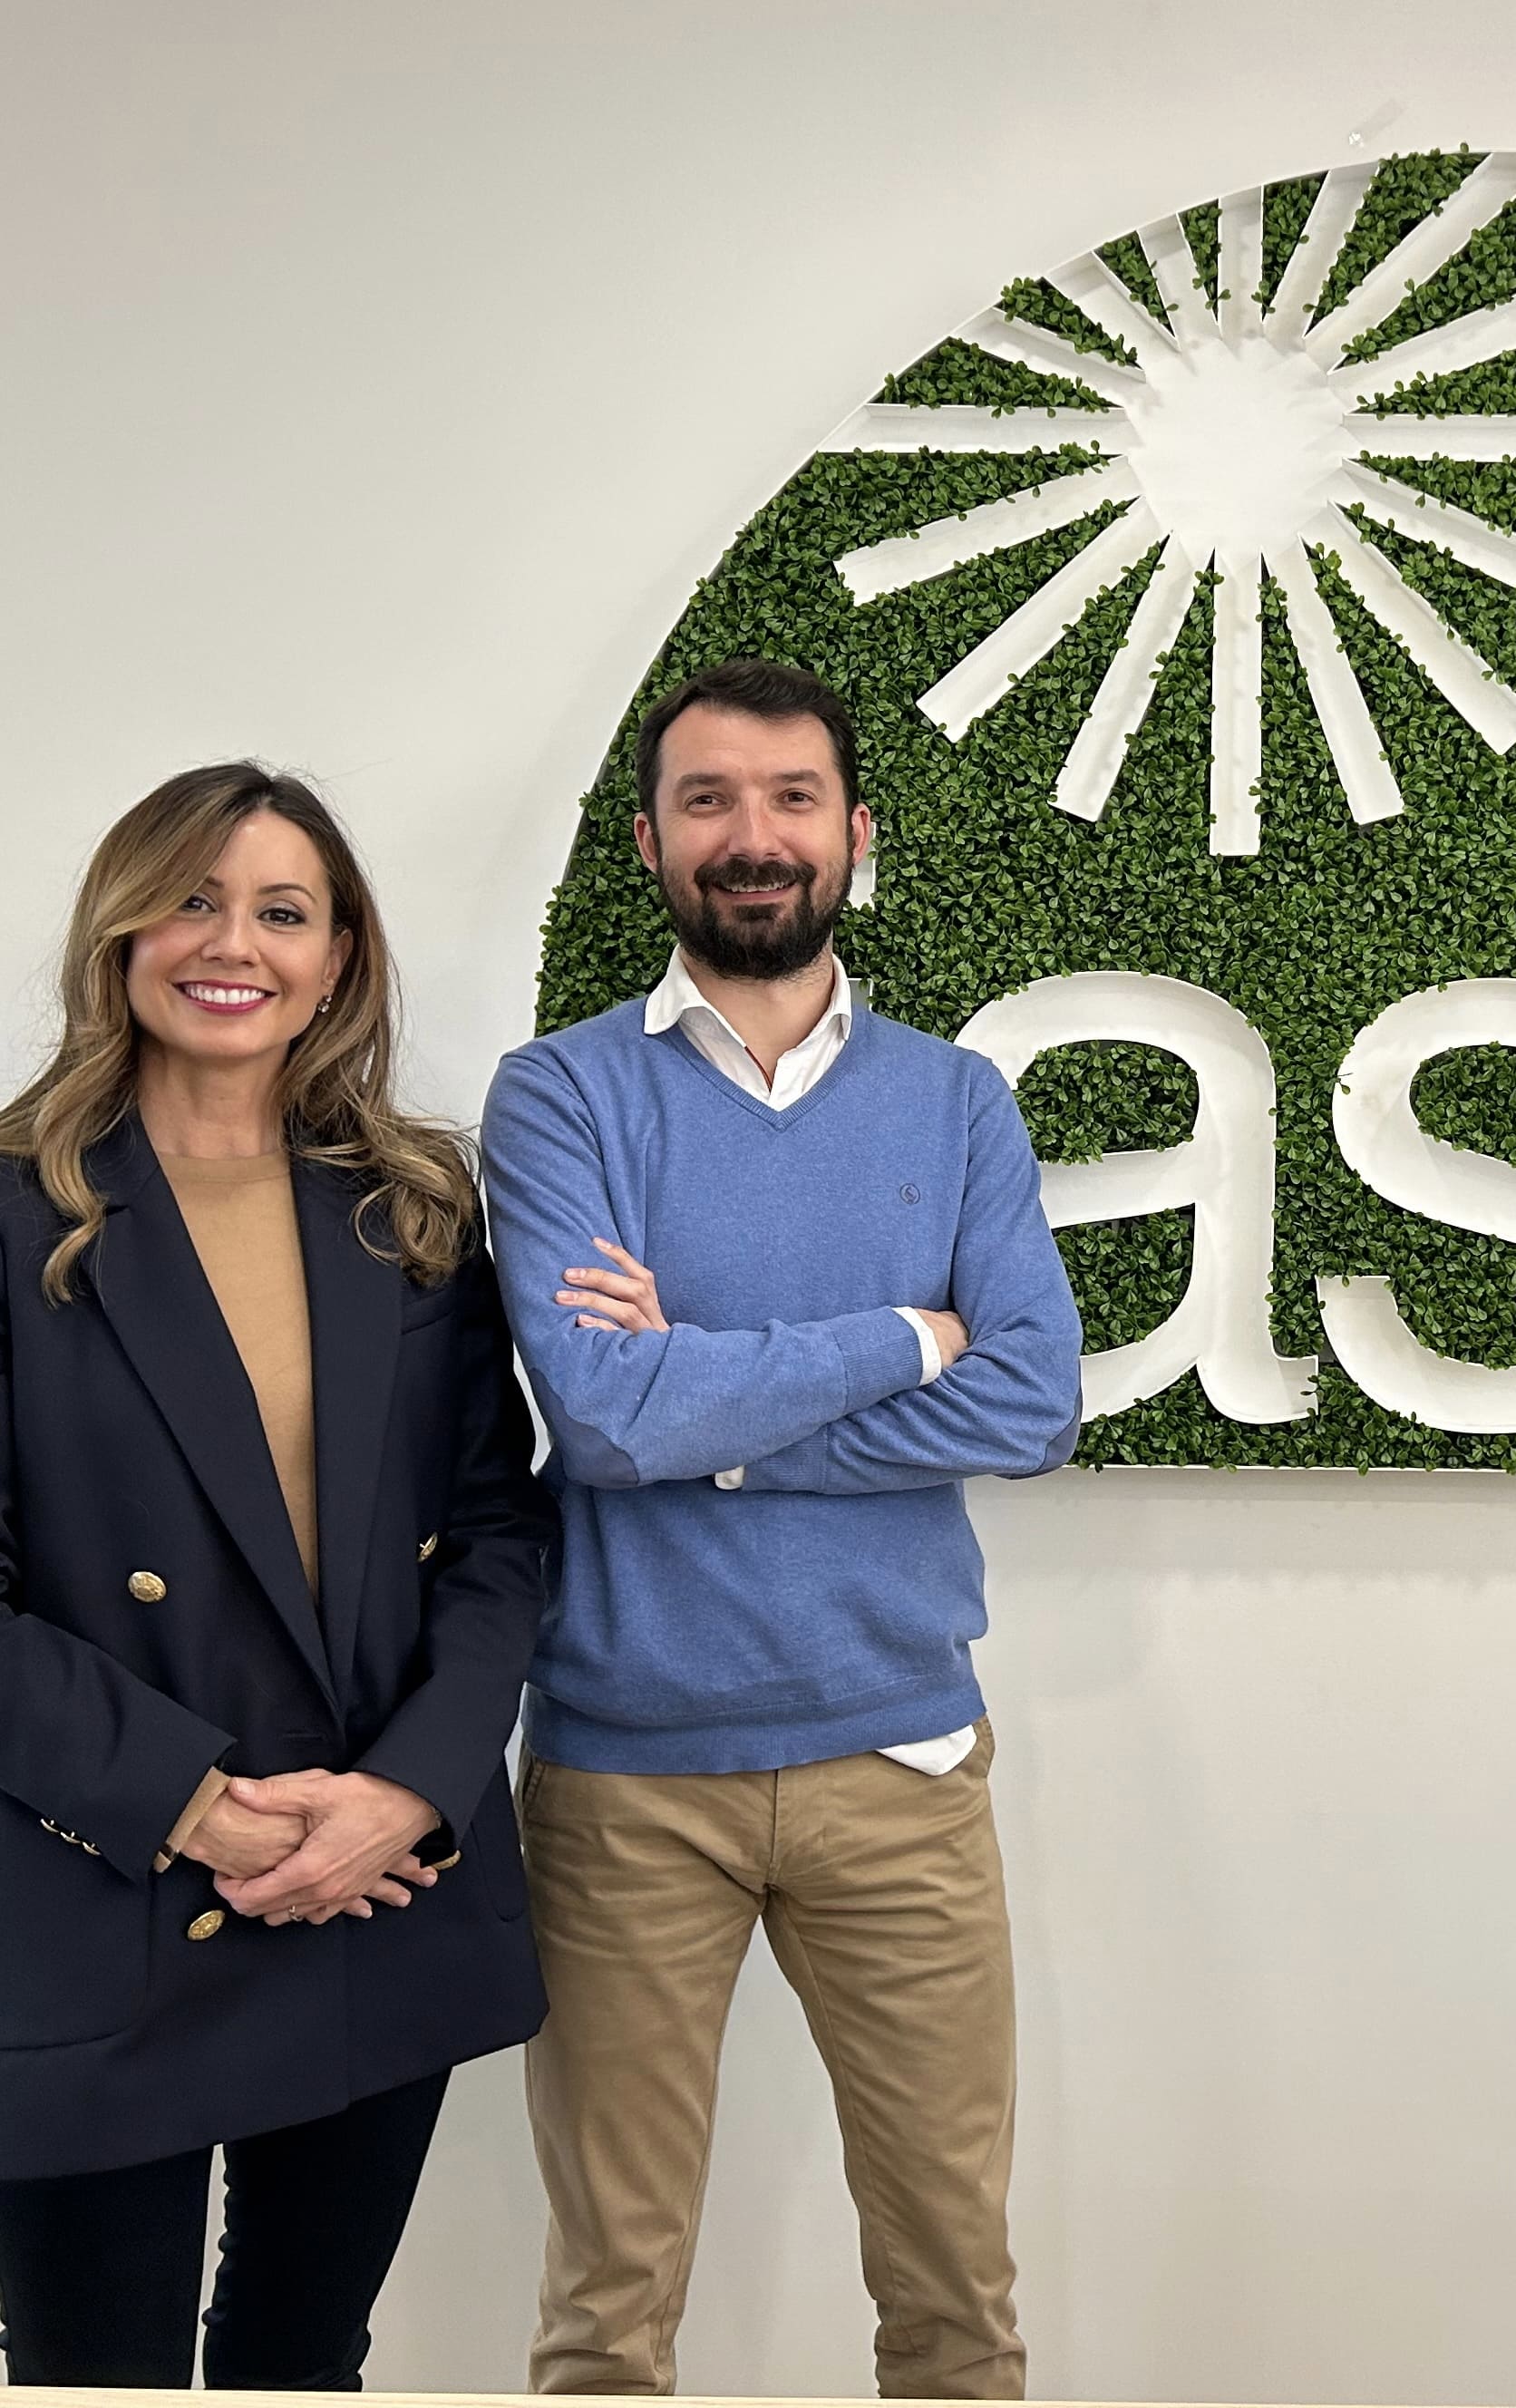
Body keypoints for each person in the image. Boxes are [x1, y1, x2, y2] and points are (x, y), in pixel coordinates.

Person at [481, 656, 1083, 2399]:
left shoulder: (954, 1100)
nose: (754, 838)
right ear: (654, 842)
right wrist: (900, 1337)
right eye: (709, 802)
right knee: (607, 2317)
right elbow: (598, 1415)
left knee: (956, 2303)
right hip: (622, 1779)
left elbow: (1032, 1404)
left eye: (791, 800)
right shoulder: (563, 1096)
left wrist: (708, 1419)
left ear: (852, 835)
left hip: (896, 1762)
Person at [0, 764, 554, 2387]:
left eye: (281, 911)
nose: (228, 941)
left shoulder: (413, 1211)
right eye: (190, 897)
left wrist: (412, 1794)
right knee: (94, 2376)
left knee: (303, 2363)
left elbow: (501, 1530)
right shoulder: (12, 1209)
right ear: (120, 931)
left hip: (374, 1883)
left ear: (337, 958)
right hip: (99, 1875)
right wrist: (196, 1805)